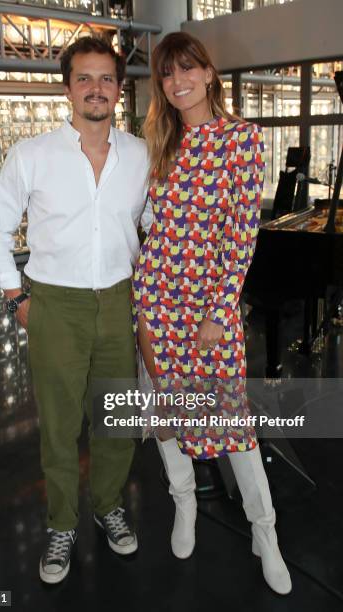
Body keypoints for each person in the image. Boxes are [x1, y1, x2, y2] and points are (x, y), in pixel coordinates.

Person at [0, 36, 152, 585]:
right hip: (55, 304)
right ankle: (61, 522)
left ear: (119, 89)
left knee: (116, 420)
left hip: (119, 302)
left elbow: (150, 228)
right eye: (85, 78)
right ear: (67, 87)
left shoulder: (140, 154)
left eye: (106, 78)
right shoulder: (31, 154)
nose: (96, 88)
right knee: (58, 427)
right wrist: (18, 297)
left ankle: (107, 505)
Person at [132, 31, 292, 595]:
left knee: (234, 423)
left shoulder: (242, 138)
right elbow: (151, 227)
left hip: (208, 306)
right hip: (155, 299)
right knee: (169, 413)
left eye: (186, 70)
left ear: (206, 72)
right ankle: (184, 505)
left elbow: (242, 234)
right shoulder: (160, 141)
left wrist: (219, 312)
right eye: (167, 75)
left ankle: (264, 532)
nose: (177, 83)